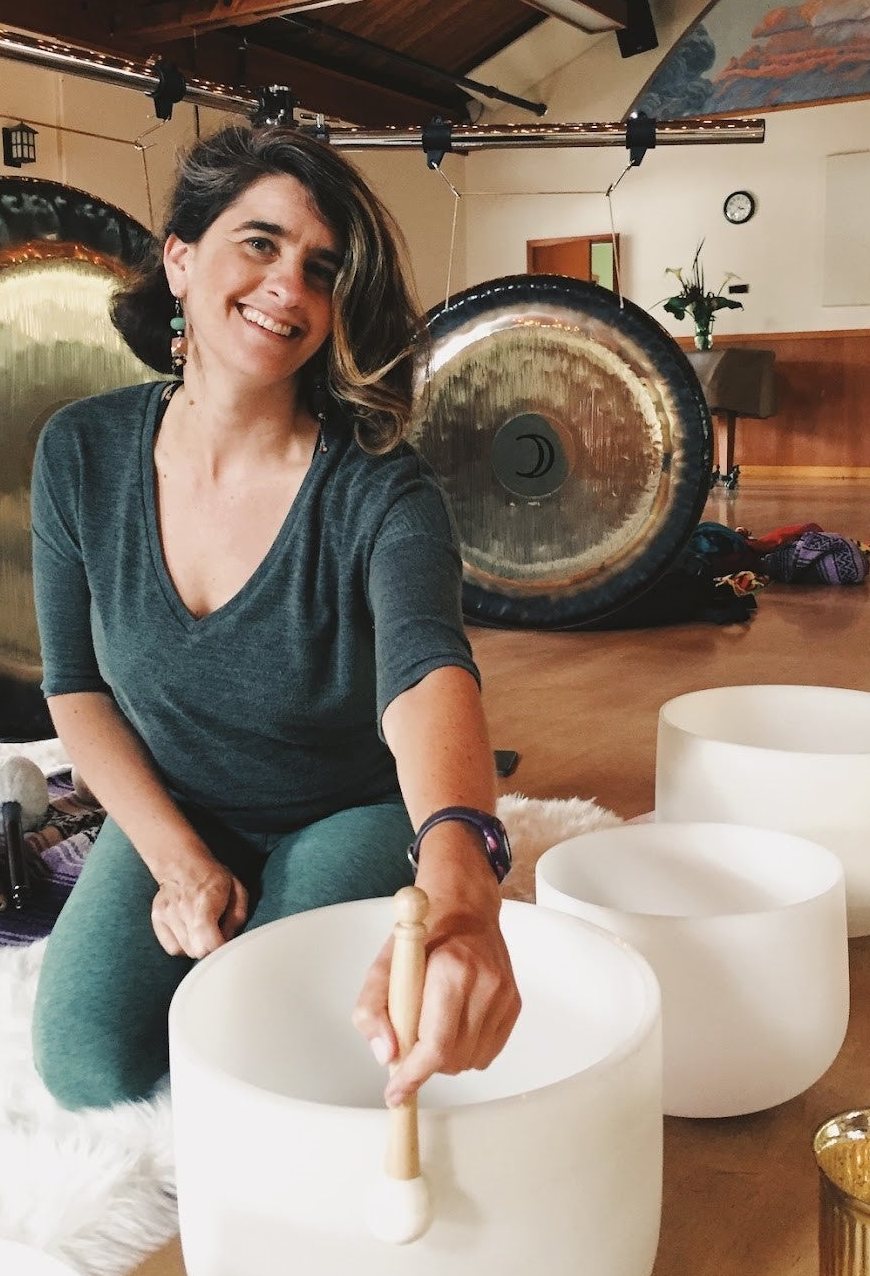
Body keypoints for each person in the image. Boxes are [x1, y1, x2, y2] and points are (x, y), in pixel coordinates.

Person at [29, 123, 520, 1111]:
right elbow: (74, 687)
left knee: (272, 1043)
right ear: (180, 258)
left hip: (344, 803)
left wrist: (465, 872)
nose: (289, 287)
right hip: (186, 798)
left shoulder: (384, 486)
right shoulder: (81, 452)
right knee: (87, 1067)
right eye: (259, 243)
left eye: (322, 268)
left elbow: (427, 671)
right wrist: (177, 861)